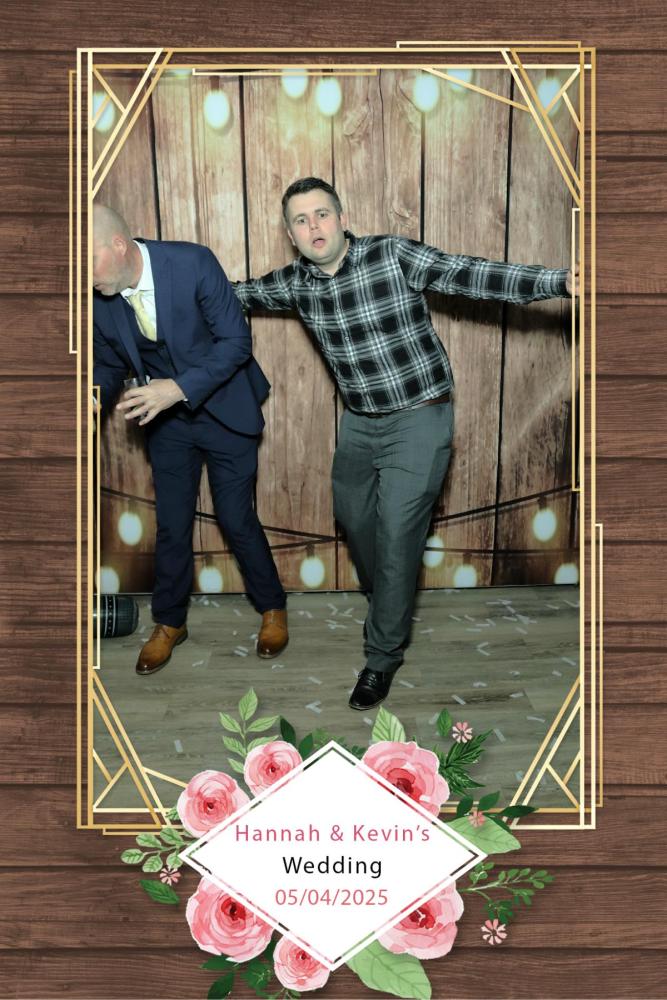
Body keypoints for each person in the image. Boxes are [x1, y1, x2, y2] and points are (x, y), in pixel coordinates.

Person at [232, 177, 574, 711]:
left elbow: (468, 274)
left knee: (396, 535)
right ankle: (388, 601)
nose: (313, 226)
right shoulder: (295, 282)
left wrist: (558, 281)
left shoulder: (391, 255)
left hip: (420, 417)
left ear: (342, 219)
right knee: (354, 517)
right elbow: (236, 293)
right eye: (300, 220)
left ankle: (382, 656)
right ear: (290, 235)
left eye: (322, 214)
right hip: (360, 423)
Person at [92, 204, 288, 675]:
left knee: (235, 517)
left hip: (225, 409)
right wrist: (91, 396)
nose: (82, 279)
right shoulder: (100, 296)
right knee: (172, 524)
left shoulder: (192, 262)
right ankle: (169, 622)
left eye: (87, 264)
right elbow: (109, 363)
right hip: (167, 423)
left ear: (118, 245)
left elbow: (236, 343)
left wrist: (177, 388)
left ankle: (272, 607)